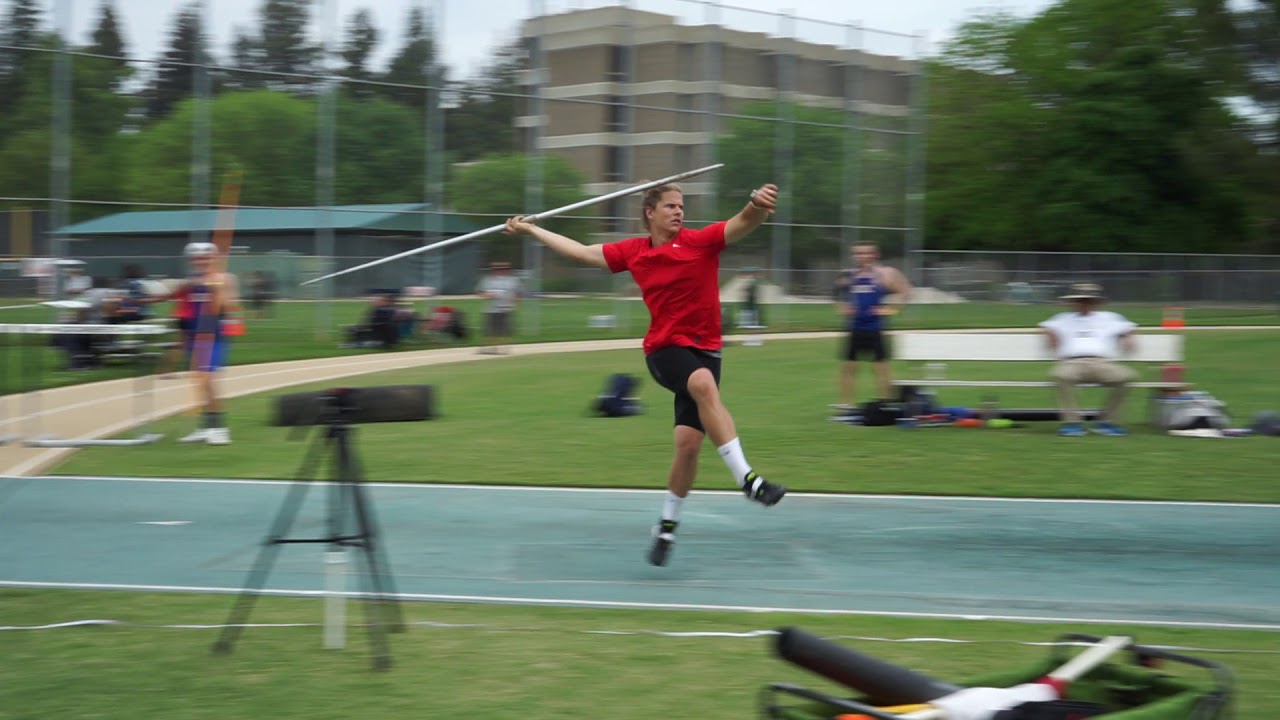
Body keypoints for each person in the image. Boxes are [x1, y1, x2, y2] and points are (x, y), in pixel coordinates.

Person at [503, 181, 787, 567]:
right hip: (664, 350)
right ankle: (749, 481)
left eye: (681, 206)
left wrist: (756, 203)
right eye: (670, 205)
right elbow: (584, 253)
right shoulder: (633, 252)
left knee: (688, 448)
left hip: (707, 350)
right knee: (701, 383)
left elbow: (742, 222)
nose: (678, 211)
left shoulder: (699, 242)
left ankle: (666, 527)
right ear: (650, 213)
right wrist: (533, 229)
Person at [1039, 282, 1137, 437]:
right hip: (1071, 363)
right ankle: (1072, 423)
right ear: (1073, 302)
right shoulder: (1062, 318)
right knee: (1060, 375)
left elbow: (1127, 329)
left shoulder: (1111, 318)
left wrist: (1127, 337)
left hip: (1101, 363)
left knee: (1126, 377)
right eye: (1080, 300)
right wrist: (1050, 334)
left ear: (1096, 302)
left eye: (1088, 300)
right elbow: (1047, 328)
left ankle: (1107, 422)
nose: (1084, 304)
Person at [833, 243, 911, 408]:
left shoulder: (884, 275)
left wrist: (891, 310)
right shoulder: (850, 275)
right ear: (854, 256)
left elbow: (905, 291)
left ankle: (886, 403)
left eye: (867, 253)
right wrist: (843, 308)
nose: (863, 256)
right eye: (859, 253)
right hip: (854, 327)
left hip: (876, 328)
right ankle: (846, 404)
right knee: (848, 367)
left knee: (881, 367)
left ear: (875, 255)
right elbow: (836, 294)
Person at [177, 241, 238, 446]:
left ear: (215, 259)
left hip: (213, 335)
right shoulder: (192, 281)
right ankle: (207, 427)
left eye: (206, 257)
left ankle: (220, 429)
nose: (202, 261)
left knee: (209, 382)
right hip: (193, 335)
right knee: (200, 383)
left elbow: (228, 305)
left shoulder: (225, 279)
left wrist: (215, 290)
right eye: (197, 258)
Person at [476, 261, 521, 354]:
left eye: (502, 269)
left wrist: (514, 302)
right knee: (490, 329)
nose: (500, 271)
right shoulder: (487, 280)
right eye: (497, 269)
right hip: (491, 308)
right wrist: (487, 295)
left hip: (506, 308)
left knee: (505, 329)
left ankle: (505, 348)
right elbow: (480, 292)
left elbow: (518, 293)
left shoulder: (512, 280)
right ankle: (490, 348)